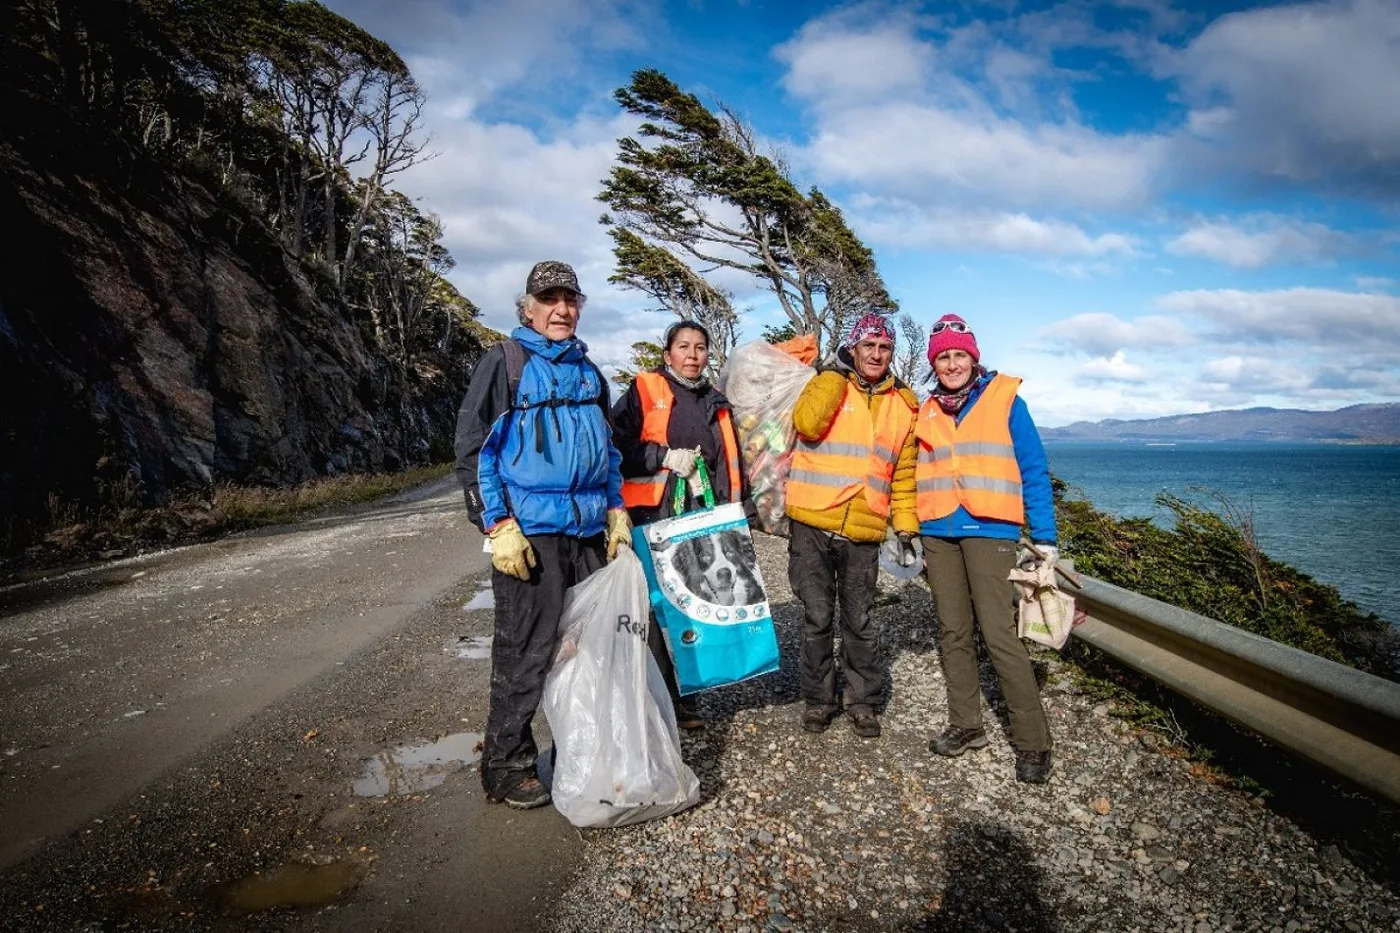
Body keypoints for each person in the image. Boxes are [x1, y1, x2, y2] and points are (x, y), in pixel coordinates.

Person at [453, 261, 634, 810]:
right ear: (527, 308)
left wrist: (616, 508)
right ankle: (505, 764)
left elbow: (607, 451)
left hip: (585, 533)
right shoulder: (504, 363)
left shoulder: (589, 373)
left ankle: (581, 751)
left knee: (588, 649)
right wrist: (497, 524)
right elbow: (473, 450)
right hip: (530, 535)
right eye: (549, 299)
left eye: (570, 299)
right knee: (526, 651)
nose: (561, 309)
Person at [915, 313, 1056, 784]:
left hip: (990, 529)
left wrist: (1045, 538)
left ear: (974, 358)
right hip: (938, 530)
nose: (952, 364)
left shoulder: (1006, 399)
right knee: (952, 631)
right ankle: (966, 725)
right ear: (934, 363)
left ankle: (1034, 742)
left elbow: (1033, 469)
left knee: (999, 634)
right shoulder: (927, 408)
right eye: (943, 357)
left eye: (960, 355)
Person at [611, 320, 755, 730]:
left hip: (704, 514)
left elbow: (730, 459)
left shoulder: (715, 399)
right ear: (667, 354)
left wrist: (737, 507)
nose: (693, 355)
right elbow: (615, 448)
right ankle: (663, 702)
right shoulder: (644, 390)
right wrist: (663, 456)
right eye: (683, 347)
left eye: (700, 347)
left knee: (700, 600)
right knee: (658, 609)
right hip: (654, 518)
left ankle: (694, 690)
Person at [786, 313, 919, 739]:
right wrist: (832, 376)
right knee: (818, 616)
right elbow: (806, 424)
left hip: (864, 528)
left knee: (859, 620)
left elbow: (903, 472)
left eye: (884, 348)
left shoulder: (905, 403)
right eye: (868, 346)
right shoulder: (829, 383)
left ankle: (861, 701)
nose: (877, 355)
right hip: (813, 519)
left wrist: (906, 526)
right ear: (853, 348)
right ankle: (819, 700)